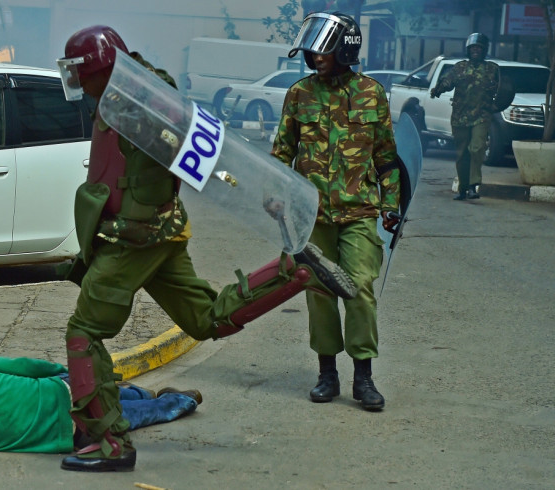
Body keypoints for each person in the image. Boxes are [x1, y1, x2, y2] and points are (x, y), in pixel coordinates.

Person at [56, 25, 357, 472]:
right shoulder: (137, 87)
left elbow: (192, 155)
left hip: (133, 239)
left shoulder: (137, 103)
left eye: (80, 73)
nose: (78, 84)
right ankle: (293, 272)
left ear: (97, 68)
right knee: (203, 319)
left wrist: (256, 194)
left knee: (83, 332)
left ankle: (107, 444)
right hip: (161, 234)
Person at [271, 12, 401, 412]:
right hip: (311, 215)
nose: (314, 55)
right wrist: (277, 198)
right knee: (319, 291)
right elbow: (281, 154)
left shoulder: (371, 94)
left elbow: (386, 158)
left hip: (359, 211)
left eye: (323, 47)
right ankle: (327, 373)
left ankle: (364, 377)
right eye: (311, 49)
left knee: (359, 286)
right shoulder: (299, 94)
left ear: (346, 48)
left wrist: (391, 206)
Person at [0, 356, 203, 454]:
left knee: (125, 416)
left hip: (66, 436)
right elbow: (26, 366)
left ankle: (169, 402)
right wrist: (62, 370)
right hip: (62, 394)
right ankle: (171, 398)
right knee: (98, 392)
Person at [431, 33, 499, 200]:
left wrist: (496, 105)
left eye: (479, 48)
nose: (476, 50)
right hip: (460, 117)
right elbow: (448, 81)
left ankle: (473, 185)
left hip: (481, 115)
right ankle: (463, 188)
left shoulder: (492, 69)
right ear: (468, 50)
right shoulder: (460, 67)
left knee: (476, 148)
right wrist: (439, 88)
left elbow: (502, 90)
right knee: (462, 154)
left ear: (484, 50)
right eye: (473, 48)